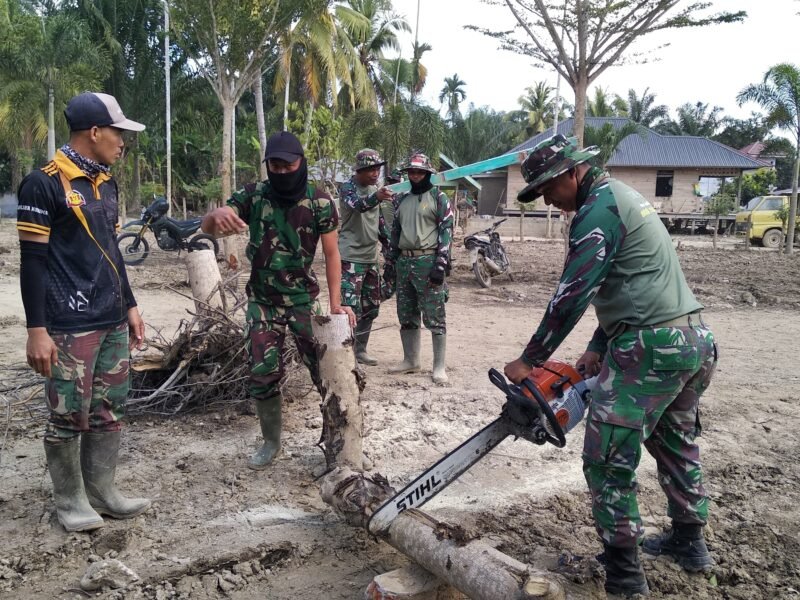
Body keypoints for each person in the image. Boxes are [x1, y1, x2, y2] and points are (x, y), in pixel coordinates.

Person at [503, 134, 718, 597]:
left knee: (607, 457)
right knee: (673, 440)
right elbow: (634, 277)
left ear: (571, 172)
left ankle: (623, 573)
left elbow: (572, 295)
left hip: (650, 345)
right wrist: (601, 341)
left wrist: (530, 360)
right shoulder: (623, 197)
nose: (548, 199)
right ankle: (690, 542)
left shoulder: (596, 212)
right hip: (692, 339)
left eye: (548, 188)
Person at [17, 92, 151, 532]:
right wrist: (37, 329)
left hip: (110, 318)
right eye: (118, 132)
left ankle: (103, 492)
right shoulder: (44, 183)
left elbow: (113, 249)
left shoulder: (106, 182)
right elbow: (32, 261)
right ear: (94, 132)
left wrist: (129, 304)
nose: (122, 142)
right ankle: (70, 500)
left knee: (109, 407)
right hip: (68, 324)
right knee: (68, 412)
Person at [202, 131, 355, 470]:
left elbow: (332, 254)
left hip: (303, 300)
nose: (282, 172)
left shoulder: (319, 201)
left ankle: (337, 444)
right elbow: (210, 226)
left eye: (289, 165)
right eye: (275, 165)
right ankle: (271, 442)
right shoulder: (255, 195)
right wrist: (217, 215)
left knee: (326, 373)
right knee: (263, 374)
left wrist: (335, 303)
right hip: (263, 303)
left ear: (302, 163)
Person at [388, 153, 453, 384]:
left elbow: (446, 231)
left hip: (428, 261)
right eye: (412, 172)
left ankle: (439, 366)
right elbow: (395, 232)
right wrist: (390, 260)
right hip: (404, 261)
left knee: (434, 314)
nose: (415, 175)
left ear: (428, 173)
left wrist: (441, 263)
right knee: (406, 313)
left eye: (419, 172)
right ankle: (411, 360)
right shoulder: (401, 200)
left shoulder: (438, 197)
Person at [337, 149, 394, 365]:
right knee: (349, 307)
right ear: (359, 170)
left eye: (377, 169)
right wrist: (377, 196)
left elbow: (379, 222)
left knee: (371, 306)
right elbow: (359, 206)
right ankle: (344, 353)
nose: (375, 173)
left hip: (371, 258)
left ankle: (360, 351)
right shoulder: (348, 188)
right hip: (350, 257)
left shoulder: (374, 190)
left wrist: (389, 249)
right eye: (370, 169)